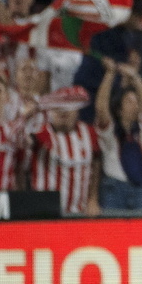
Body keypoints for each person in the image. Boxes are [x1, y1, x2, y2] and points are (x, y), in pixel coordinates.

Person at [95, 58, 142, 211]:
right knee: (112, 234)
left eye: (137, 102)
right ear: (119, 108)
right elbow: (101, 110)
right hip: (114, 188)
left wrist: (136, 78)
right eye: (129, 101)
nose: (135, 105)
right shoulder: (111, 134)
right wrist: (110, 75)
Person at [27, 87, 101, 216]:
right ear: (50, 112)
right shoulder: (42, 134)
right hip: (46, 214)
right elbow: (23, 140)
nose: (63, 112)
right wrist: (25, 116)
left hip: (79, 213)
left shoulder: (89, 133)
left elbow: (96, 161)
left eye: (68, 108)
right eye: (57, 108)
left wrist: (93, 198)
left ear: (77, 110)